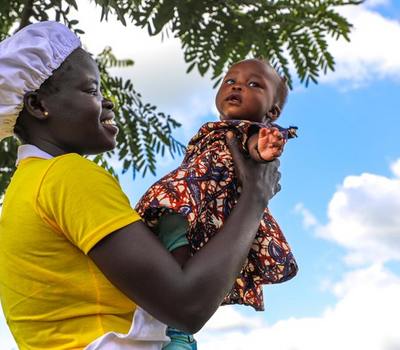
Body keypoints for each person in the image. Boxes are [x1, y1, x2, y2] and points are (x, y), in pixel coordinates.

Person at [0, 21, 283, 350]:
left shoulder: (26, 186)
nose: (108, 103)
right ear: (37, 106)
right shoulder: (66, 175)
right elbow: (186, 306)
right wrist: (255, 195)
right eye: (91, 91)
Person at [135, 58, 299, 349]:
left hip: (204, 211)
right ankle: (173, 327)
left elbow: (254, 148)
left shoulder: (248, 130)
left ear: (271, 111)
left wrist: (263, 151)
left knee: (177, 270)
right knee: (163, 253)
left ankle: (177, 326)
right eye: (230, 80)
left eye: (253, 84)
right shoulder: (217, 130)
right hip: (190, 206)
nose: (237, 86)